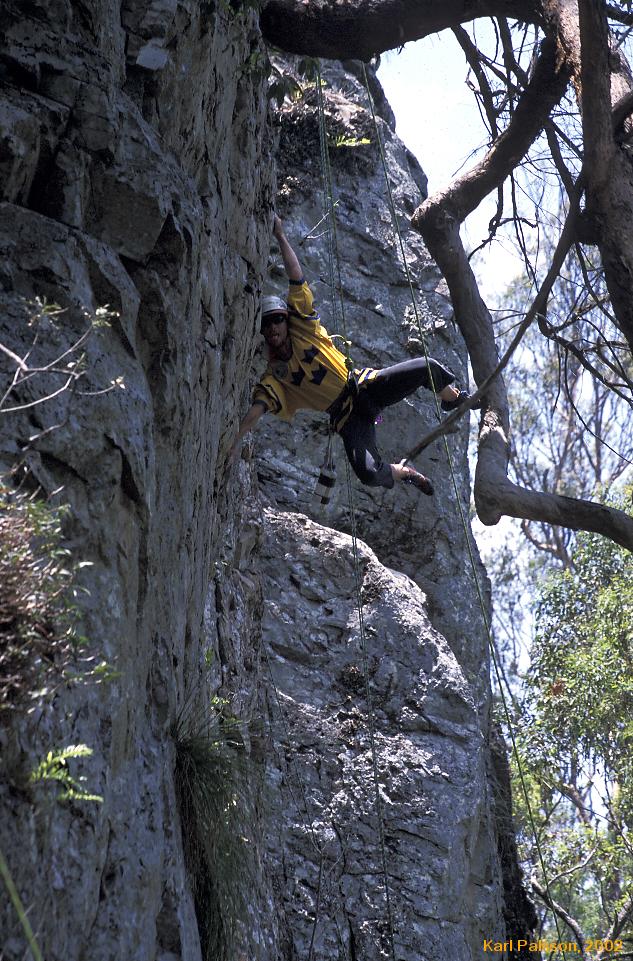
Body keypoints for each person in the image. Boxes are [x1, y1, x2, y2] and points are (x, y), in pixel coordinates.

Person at [230, 215, 473, 495]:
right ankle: (401, 472)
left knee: (425, 366)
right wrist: (235, 444)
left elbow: (296, 278)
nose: (273, 327)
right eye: (267, 324)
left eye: (277, 320)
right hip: (347, 419)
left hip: (364, 386)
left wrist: (280, 236)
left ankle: (452, 398)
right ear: (262, 331)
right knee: (368, 474)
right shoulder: (275, 376)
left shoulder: (305, 330)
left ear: (286, 320)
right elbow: (256, 410)